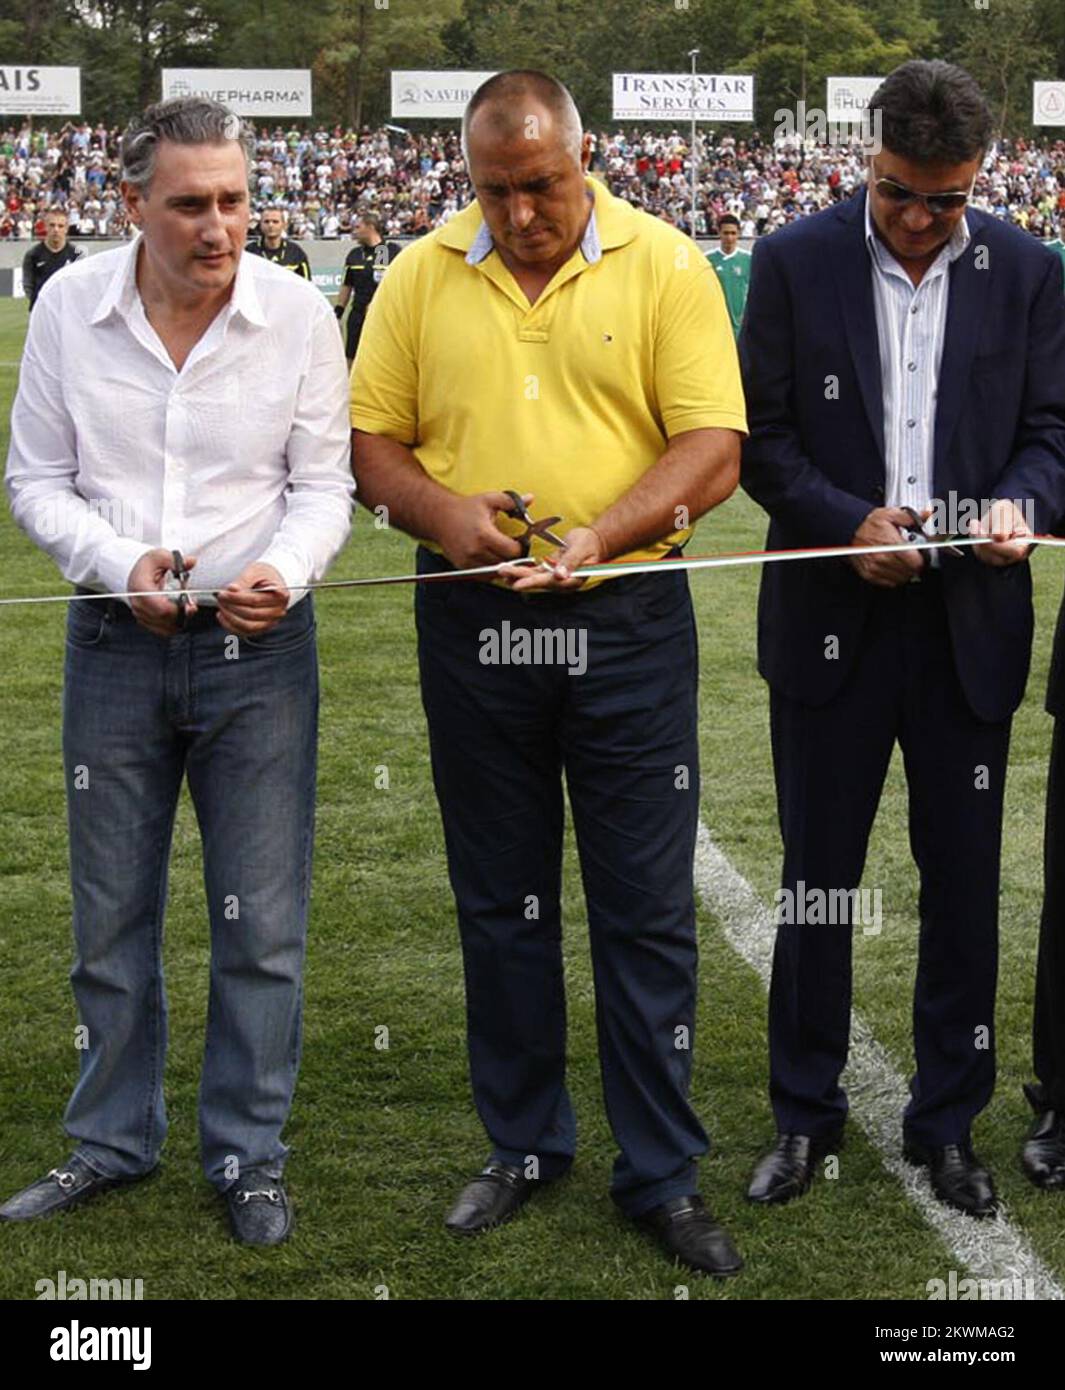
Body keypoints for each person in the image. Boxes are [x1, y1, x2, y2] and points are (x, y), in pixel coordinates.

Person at [352, 70, 747, 1276]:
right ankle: (523, 1146)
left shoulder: (668, 263)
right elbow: (371, 443)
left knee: (642, 906)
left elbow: (713, 449)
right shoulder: (422, 271)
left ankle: (661, 1173)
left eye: (543, 185)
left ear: (591, 153)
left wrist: (604, 536)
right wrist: (443, 514)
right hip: (472, 624)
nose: (521, 213)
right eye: (496, 189)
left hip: (624, 621)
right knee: (501, 899)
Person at [2, 97, 354, 1245]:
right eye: (191, 203)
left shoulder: (298, 312)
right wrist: (120, 566)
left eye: (235, 201)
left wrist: (285, 573)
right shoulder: (68, 304)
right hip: (114, 642)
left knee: (261, 925)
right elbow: (37, 480)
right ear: (133, 206)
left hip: (261, 650)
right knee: (111, 918)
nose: (219, 226)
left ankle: (250, 1153)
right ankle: (110, 1138)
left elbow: (324, 489)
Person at [740, 60, 1065, 1219]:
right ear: (865, 160)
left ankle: (948, 1121)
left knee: (963, 888)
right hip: (833, 619)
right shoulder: (790, 260)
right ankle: (802, 1115)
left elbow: (1051, 435)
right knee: (818, 882)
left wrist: (1020, 505)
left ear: (980, 180)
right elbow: (760, 442)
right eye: (898, 195)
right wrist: (843, 524)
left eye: (946, 200)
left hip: (969, 626)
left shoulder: (1027, 270)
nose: (921, 221)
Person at [335, 214, 401, 366]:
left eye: (358, 227)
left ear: (370, 227)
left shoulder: (390, 250)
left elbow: (400, 283)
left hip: (383, 314)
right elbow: (347, 284)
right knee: (352, 356)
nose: (354, 231)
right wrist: (339, 310)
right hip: (357, 314)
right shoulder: (355, 254)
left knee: (383, 357)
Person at [21, 208, 82, 311]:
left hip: (67, 311)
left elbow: (79, 284)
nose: (56, 229)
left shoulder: (76, 254)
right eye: (52, 225)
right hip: (41, 310)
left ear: (66, 228)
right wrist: (38, 301)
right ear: (45, 227)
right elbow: (28, 284)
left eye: (60, 226)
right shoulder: (33, 254)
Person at [706, 213, 751, 338]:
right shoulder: (707, 259)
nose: (729, 237)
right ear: (719, 233)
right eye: (725, 233)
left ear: (738, 234)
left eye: (733, 233)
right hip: (715, 325)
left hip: (741, 326)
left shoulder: (748, 259)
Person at [245, 205, 311, 279]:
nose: (270, 225)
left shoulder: (296, 252)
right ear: (260, 225)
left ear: (284, 225)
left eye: (275, 222)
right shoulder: (249, 251)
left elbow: (307, 285)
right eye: (266, 221)